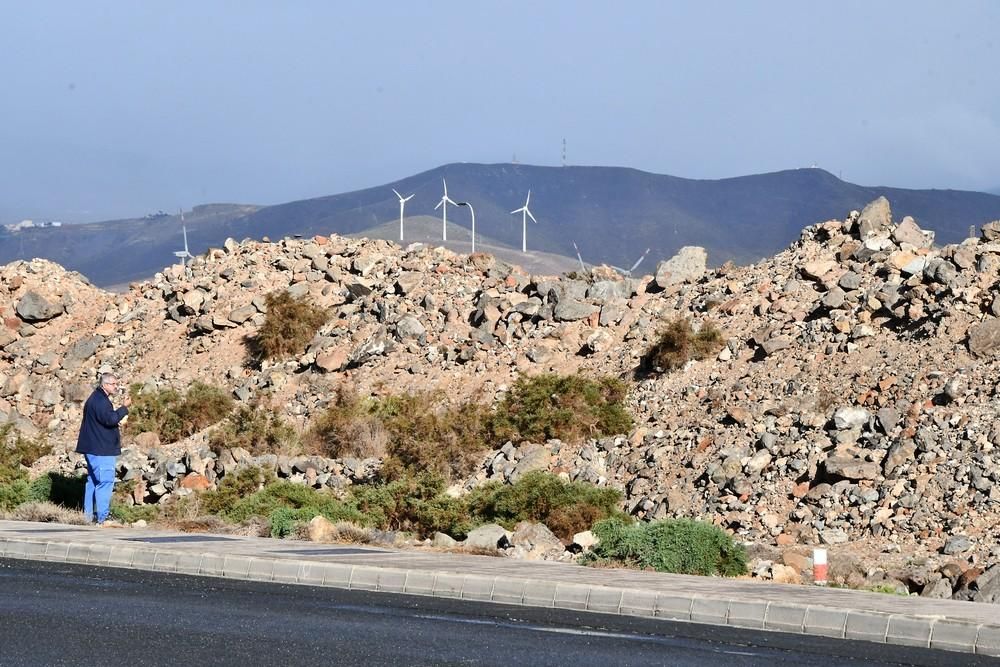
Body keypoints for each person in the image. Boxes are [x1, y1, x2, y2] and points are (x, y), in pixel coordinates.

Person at [76, 372, 131, 524]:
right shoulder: (100, 401)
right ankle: (103, 517)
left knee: (93, 481)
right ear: (105, 384)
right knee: (105, 481)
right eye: (113, 384)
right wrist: (124, 408)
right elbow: (110, 419)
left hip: (93, 447)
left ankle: (87, 518)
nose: (116, 386)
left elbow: (104, 420)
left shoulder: (96, 398)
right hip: (101, 449)